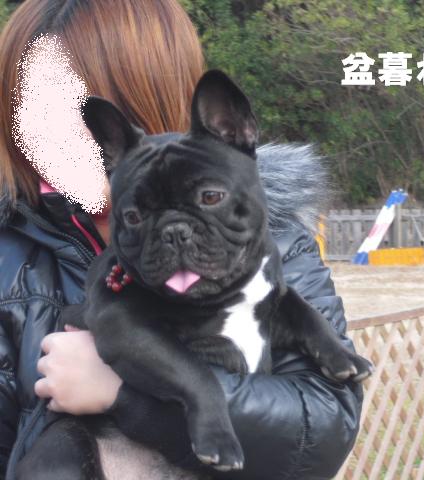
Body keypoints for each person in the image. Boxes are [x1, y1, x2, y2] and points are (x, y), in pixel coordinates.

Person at [0, 1, 363, 478]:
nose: (53, 136)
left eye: (75, 112)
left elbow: (324, 425)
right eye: (32, 111)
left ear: (145, 94)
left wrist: (128, 395)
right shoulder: (11, 253)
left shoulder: (270, 238)